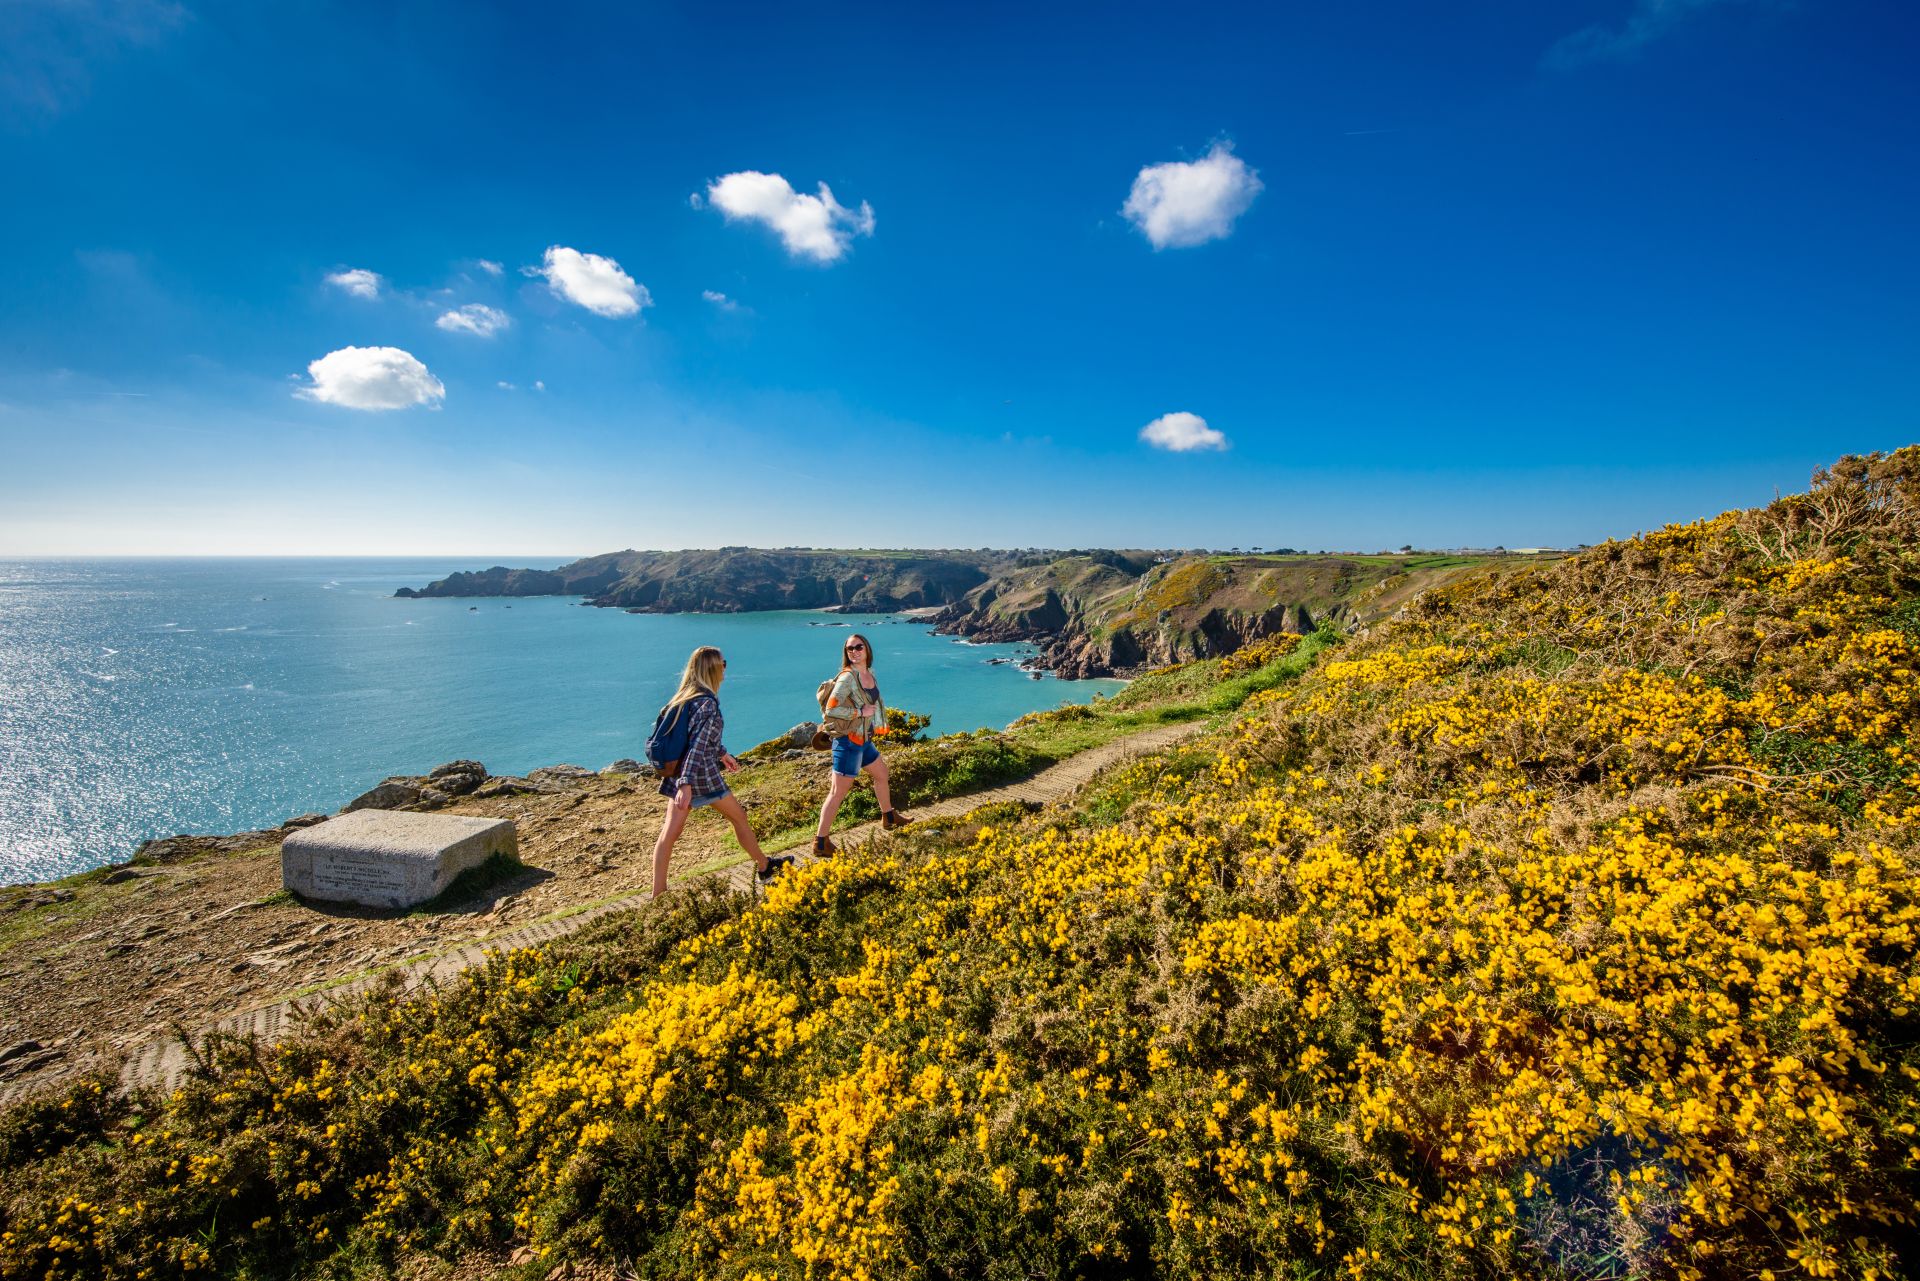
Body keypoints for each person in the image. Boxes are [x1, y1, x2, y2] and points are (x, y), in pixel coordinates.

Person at [650, 646, 791, 898]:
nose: (726, 667)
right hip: (700, 777)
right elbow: (696, 747)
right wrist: (686, 783)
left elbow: (696, 740)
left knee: (669, 833)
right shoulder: (707, 704)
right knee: (739, 817)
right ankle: (765, 867)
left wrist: (722, 753)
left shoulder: (682, 699)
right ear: (713, 668)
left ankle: (658, 894)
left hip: (680, 774)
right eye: (723, 663)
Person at [813, 633, 908, 856]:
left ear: (867, 649)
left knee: (881, 774)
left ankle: (889, 816)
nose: (854, 651)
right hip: (848, 742)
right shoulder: (848, 678)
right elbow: (831, 710)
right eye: (850, 649)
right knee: (837, 792)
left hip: (863, 740)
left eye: (859, 647)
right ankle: (820, 842)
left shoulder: (866, 673)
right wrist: (859, 712)